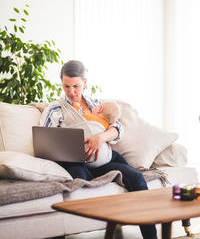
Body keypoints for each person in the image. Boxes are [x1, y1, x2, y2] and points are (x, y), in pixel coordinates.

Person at [40, 60, 158, 239]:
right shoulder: (55, 109)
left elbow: (118, 129)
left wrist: (99, 138)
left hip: (103, 160)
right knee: (81, 178)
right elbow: (46, 142)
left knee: (136, 176)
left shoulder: (98, 105)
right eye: (66, 86)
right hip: (76, 161)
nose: (71, 92)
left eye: (76, 86)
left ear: (85, 83)